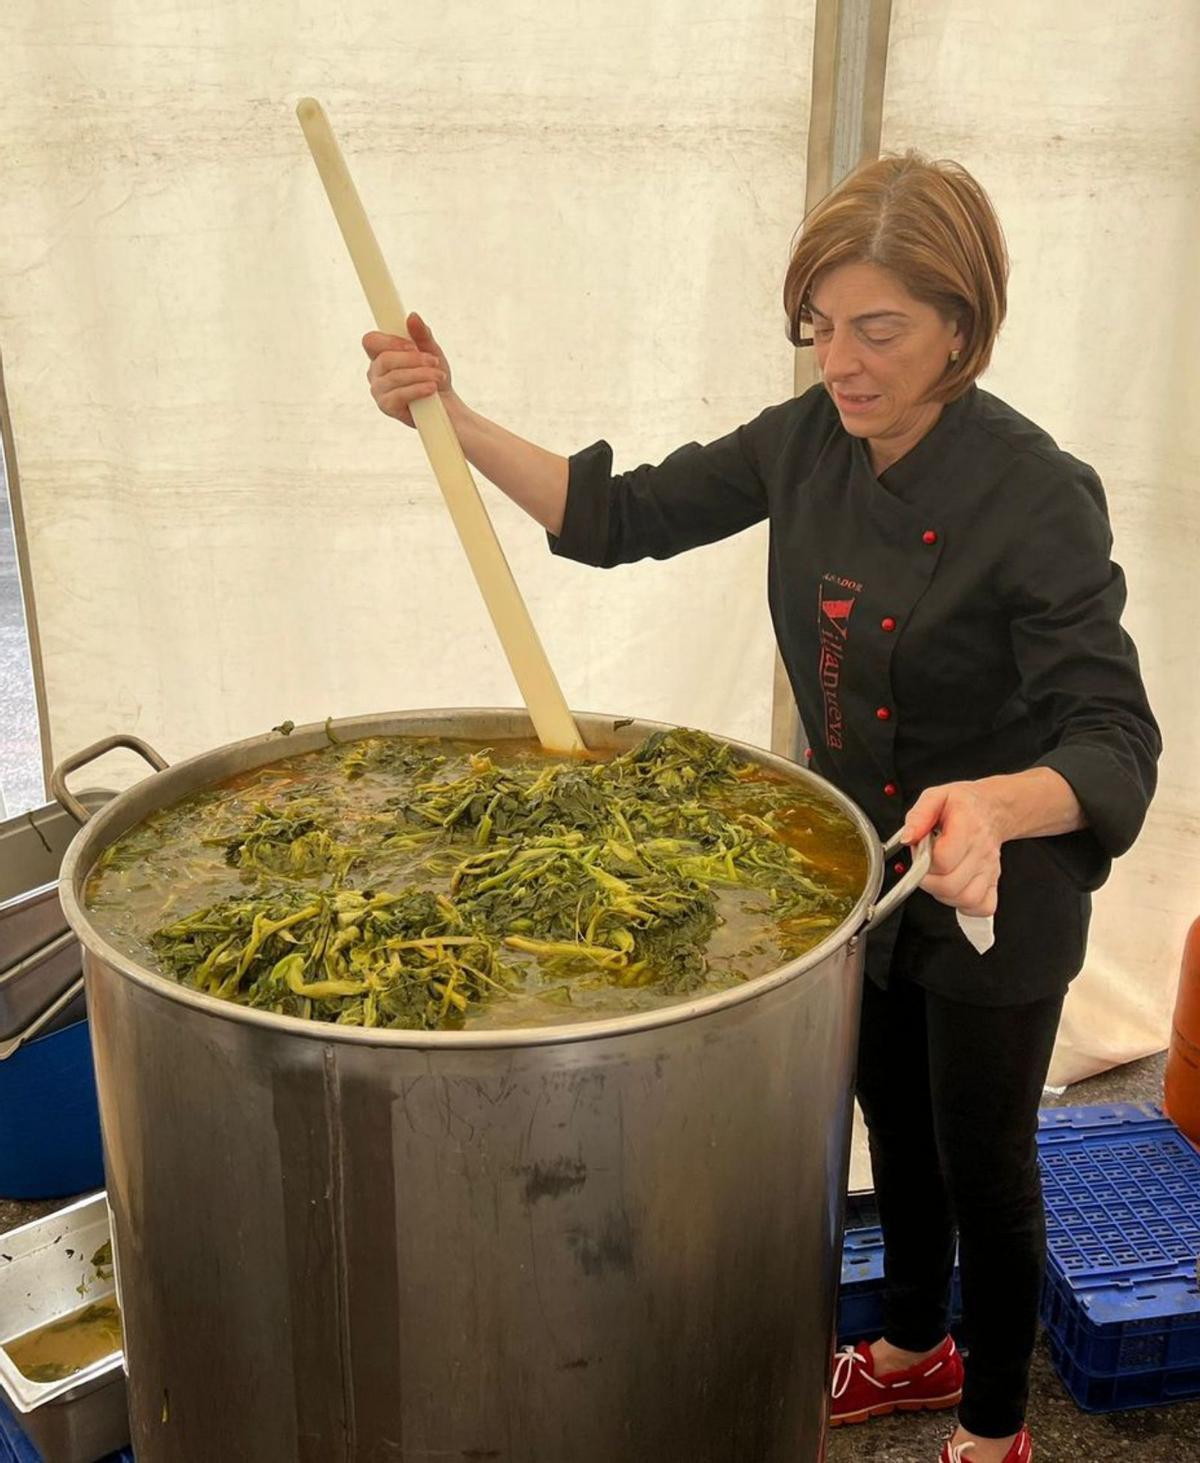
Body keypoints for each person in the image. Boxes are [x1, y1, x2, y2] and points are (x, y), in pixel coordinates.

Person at [361, 152, 1160, 1463]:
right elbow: (620, 515)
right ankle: (912, 1347)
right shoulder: (805, 443)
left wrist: (996, 807)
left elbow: (1113, 739)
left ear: (962, 326)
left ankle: (997, 1426)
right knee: (891, 1120)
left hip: (997, 875)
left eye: (879, 330)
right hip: (860, 865)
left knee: (985, 1159)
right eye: (821, 327)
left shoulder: (1037, 493)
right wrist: (447, 413)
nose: (841, 362)